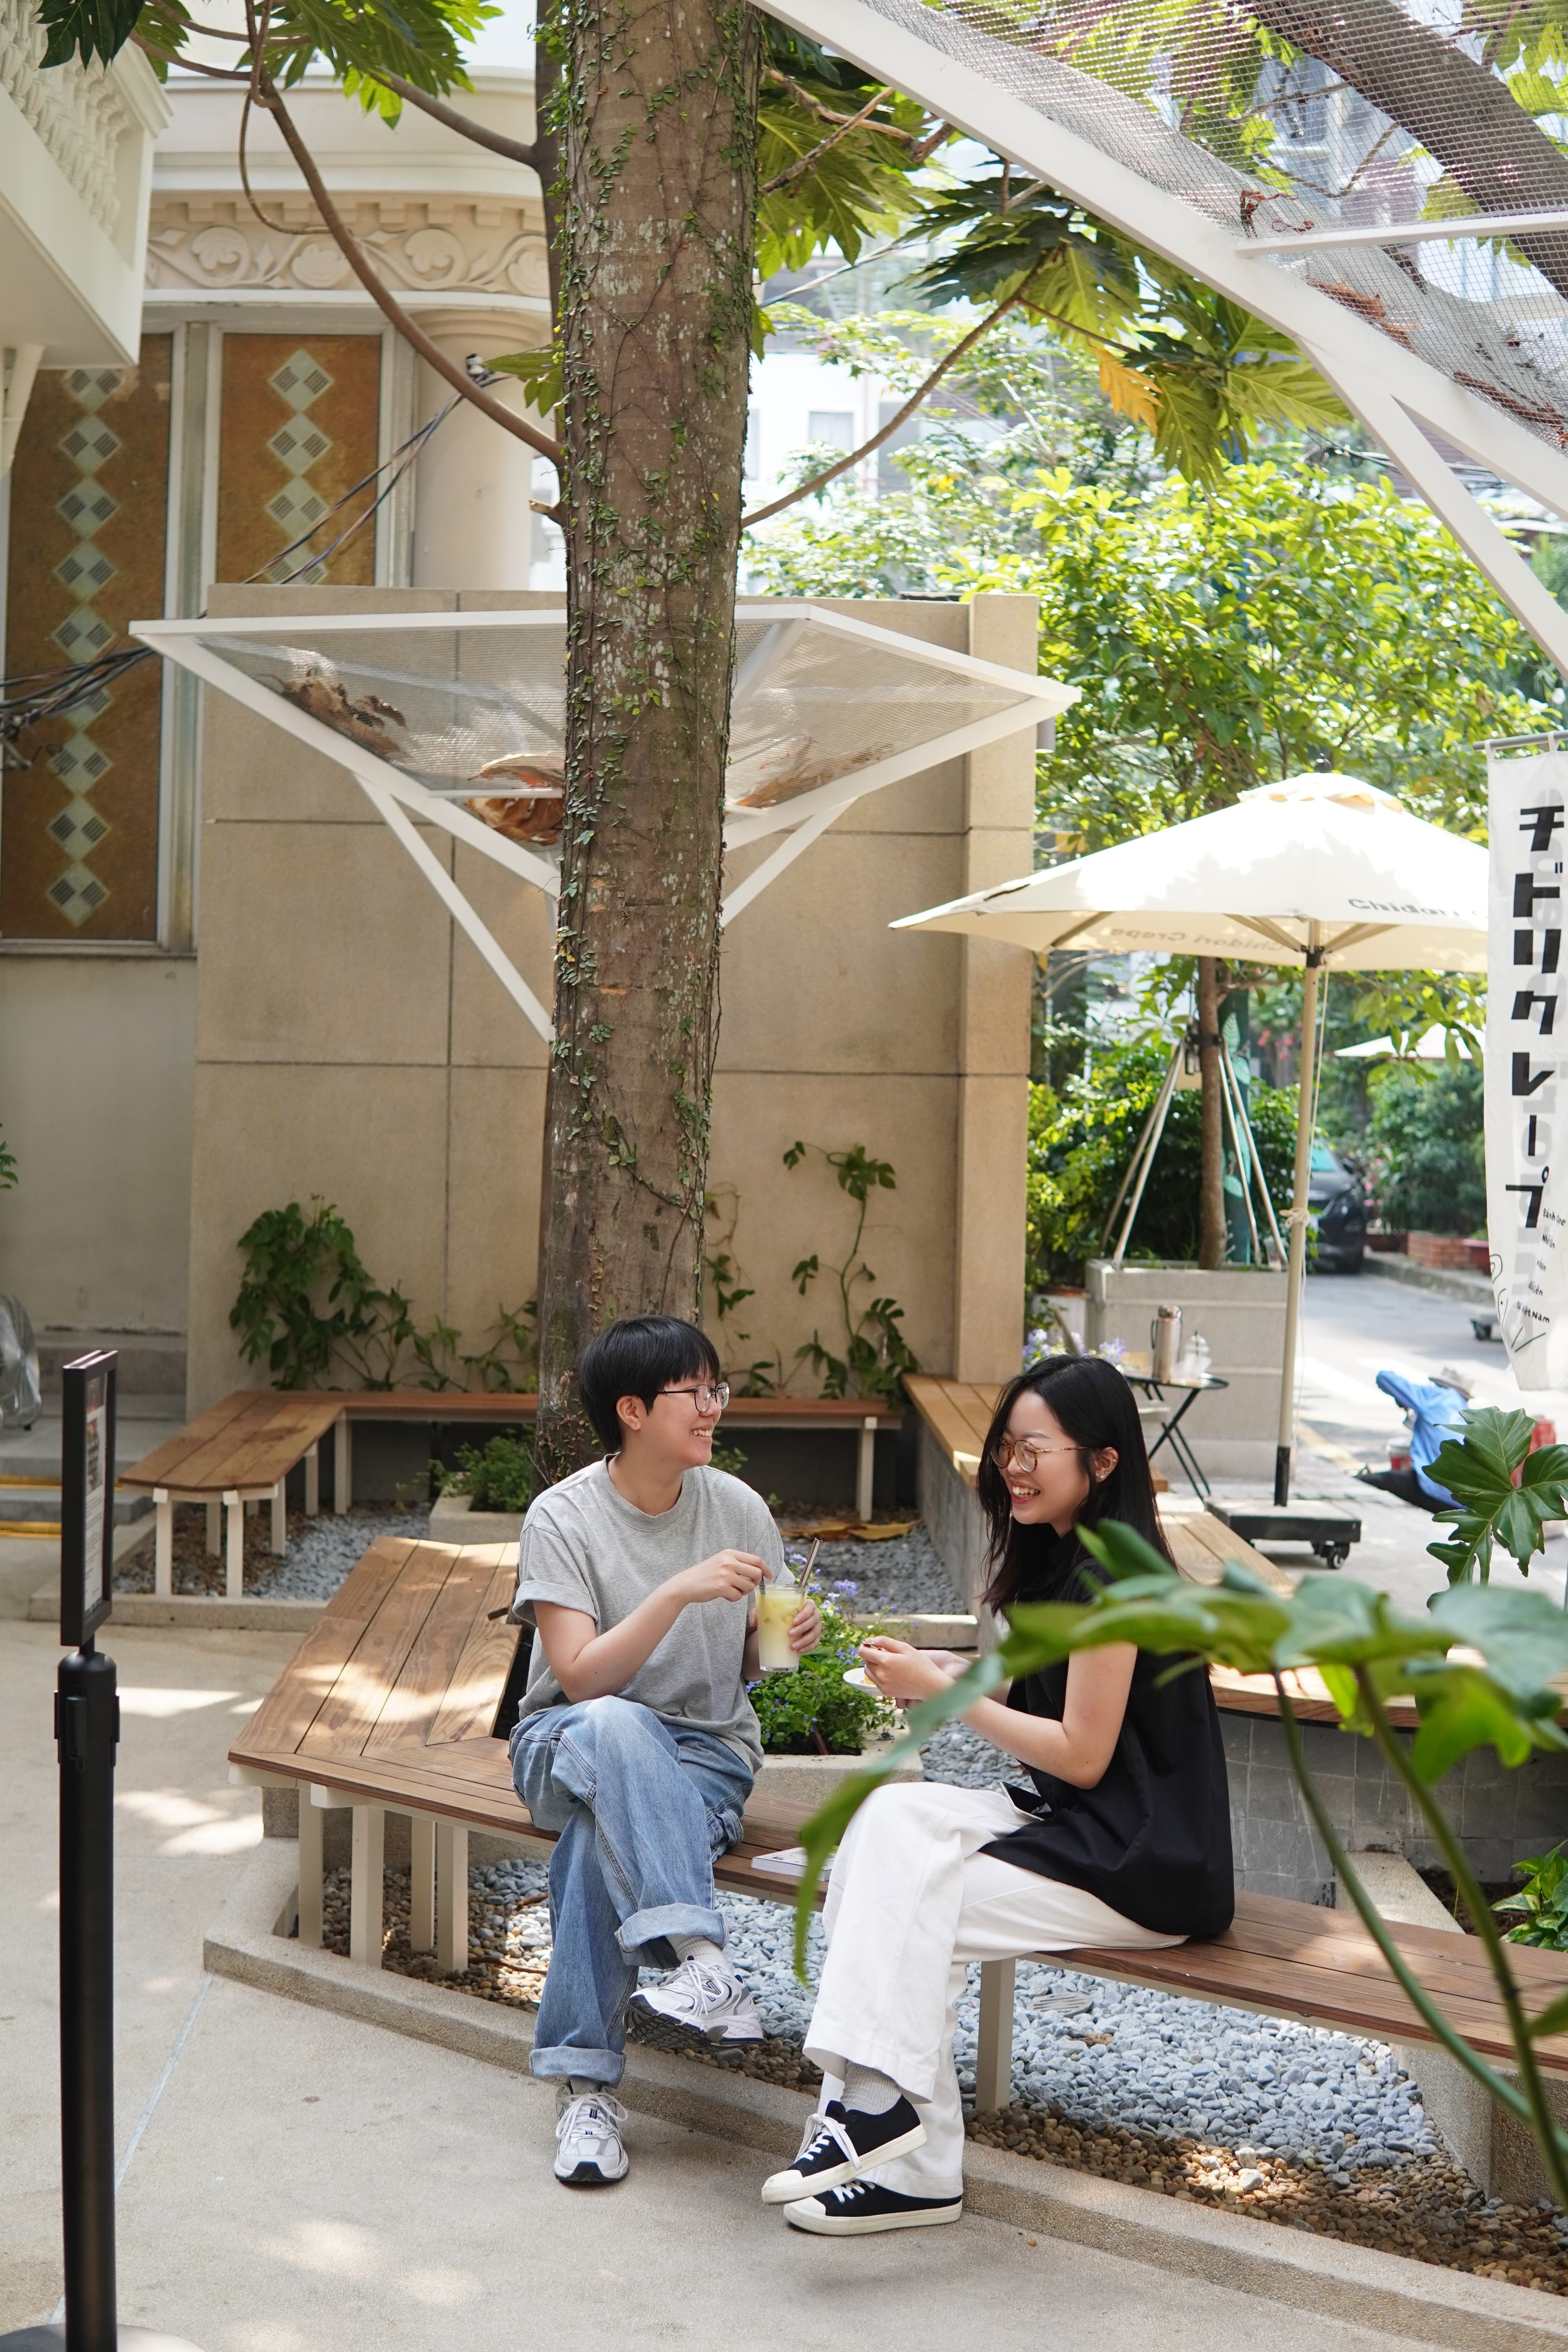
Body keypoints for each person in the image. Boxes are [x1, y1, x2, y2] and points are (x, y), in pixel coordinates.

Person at [760, 1353, 1233, 2238]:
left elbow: (1082, 1755)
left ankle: (885, 2131)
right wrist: (962, 1672)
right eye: (1006, 1447)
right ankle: (885, 2130)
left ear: (1102, 1462)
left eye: (1033, 1450)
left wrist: (945, 1699)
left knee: (909, 1894)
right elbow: (1067, 1698)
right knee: (884, 1824)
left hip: (1144, 1863)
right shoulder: (1072, 1557)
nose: (1012, 1467)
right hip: (1087, 1828)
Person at [507, 1314, 822, 2189]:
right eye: (697, 1392)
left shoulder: (739, 1508)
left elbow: (755, 1666)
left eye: (718, 1389)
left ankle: (585, 2095)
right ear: (634, 1410)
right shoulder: (562, 1517)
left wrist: (786, 1638)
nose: (715, 1407)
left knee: (590, 1843)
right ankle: (701, 1956)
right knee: (617, 1726)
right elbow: (579, 1680)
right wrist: (676, 1592)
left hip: (702, 1756)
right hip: (566, 1743)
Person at [1354, 1367, 1470, 1511]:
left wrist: (1403, 1397)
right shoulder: (1468, 1414)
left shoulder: (1434, 1396)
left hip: (1433, 1490)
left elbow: (1384, 1378)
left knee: (1363, 1483)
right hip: (1463, 1502)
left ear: (1441, 1384)